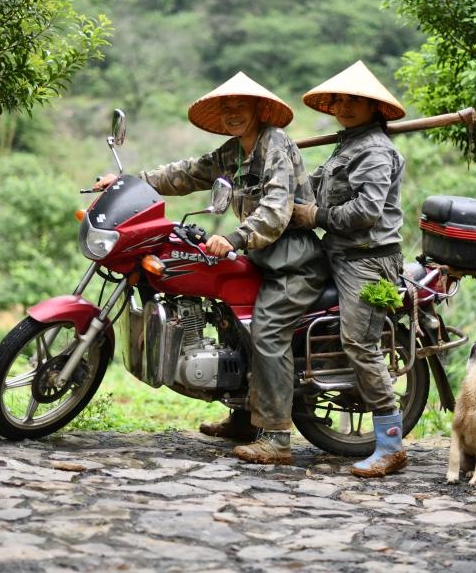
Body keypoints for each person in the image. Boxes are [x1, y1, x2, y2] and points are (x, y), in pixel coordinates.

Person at [93, 72, 329, 464]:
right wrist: (129, 181)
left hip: (294, 263)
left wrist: (234, 238)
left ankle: (277, 438)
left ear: (258, 109)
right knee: (227, 321)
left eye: (241, 107)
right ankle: (244, 417)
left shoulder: (276, 146)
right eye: (227, 109)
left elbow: (276, 209)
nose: (234, 114)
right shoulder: (232, 152)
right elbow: (187, 173)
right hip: (260, 257)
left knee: (267, 331)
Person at [291, 60, 408, 478]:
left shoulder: (375, 150)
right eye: (339, 98)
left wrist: (314, 215)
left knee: (360, 342)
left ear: (374, 107)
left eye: (354, 99)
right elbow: (316, 185)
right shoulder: (348, 144)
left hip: (367, 258)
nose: (344, 104)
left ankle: (392, 446)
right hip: (336, 250)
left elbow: (366, 211)